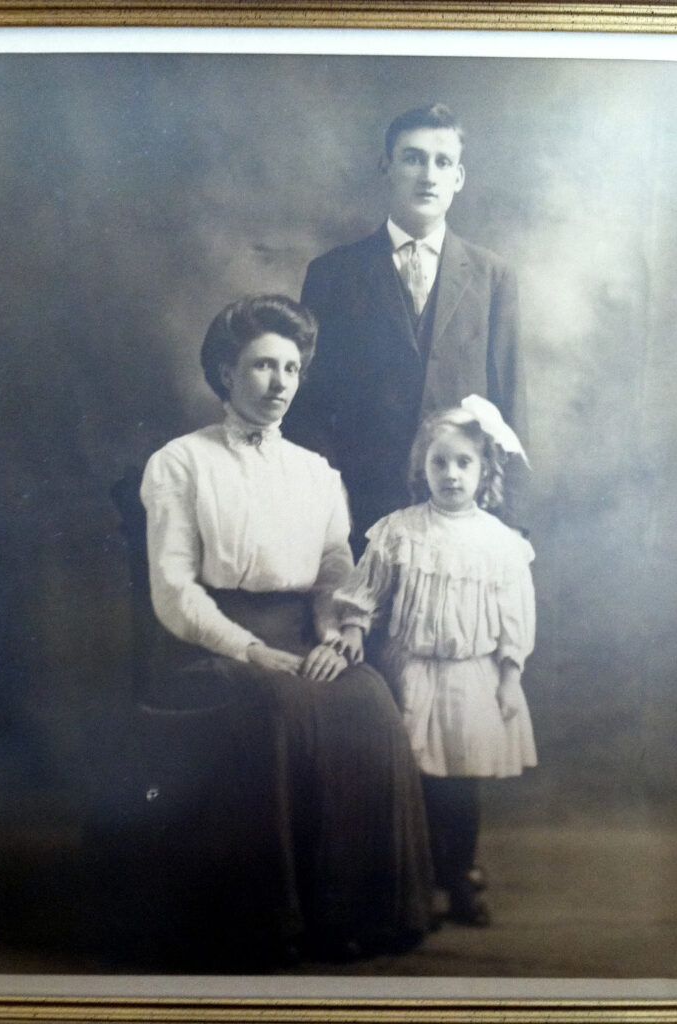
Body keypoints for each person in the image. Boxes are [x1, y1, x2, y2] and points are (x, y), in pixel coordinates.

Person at [139, 294, 432, 967]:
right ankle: (276, 921)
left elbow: (334, 572)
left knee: (368, 700)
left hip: (303, 635)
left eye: (291, 369)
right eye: (262, 366)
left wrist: (339, 634)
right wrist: (245, 647)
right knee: (279, 703)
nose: (278, 384)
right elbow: (174, 587)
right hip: (210, 642)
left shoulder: (316, 473)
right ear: (225, 372)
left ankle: (352, 915)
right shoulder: (180, 463)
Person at [332, 396, 537, 927]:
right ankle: (414, 878)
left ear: (483, 469)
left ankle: (461, 874)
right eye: (439, 462)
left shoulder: (500, 543)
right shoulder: (400, 531)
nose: (451, 474)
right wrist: (353, 629)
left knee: (459, 784)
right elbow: (364, 592)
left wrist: (510, 677)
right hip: (410, 670)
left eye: (463, 463)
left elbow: (515, 618)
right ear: (422, 469)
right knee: (414, 781)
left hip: (471, 674)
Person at [287, 103, 526, 553]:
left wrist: (509, 523)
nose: (428, 175)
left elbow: (509, 406)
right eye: (413, 158)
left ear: (458, 177)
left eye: (442, 162)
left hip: (461, 511)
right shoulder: (333, 274)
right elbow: (310, 406)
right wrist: (325, 506)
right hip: (358, 512)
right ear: (387, 167)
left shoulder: (493, 277)